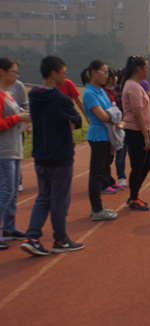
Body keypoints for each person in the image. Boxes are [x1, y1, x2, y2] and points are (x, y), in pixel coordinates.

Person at [21, 56, 84, 255]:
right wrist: (70, 122)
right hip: (60, 157)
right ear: (53, 73)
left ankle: (32, 236)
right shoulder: (61, 99)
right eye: (64, 72)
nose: (66, 76)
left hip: (40, 155)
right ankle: (61, 240)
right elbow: (77, 121)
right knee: (60, 201)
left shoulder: (33, 95)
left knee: (43, 197)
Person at [81, 60, 121, 221]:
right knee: (97, 174)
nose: (107, 75)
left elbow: (112, 109)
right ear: (93, 73)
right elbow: (104, 115)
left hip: (107, 135)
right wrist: (115, 116)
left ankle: (97, 207)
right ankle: (97, 209)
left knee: (102, 171)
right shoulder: (90, 93)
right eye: (103, 72)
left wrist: (113, 114)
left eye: (107, 72)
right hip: (98, 136)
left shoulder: (101, 91)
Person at [0, 58, 32, 250]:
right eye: (14, 71)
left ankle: (10, 227)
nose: (17, 75)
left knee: (12, 194)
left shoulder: (9, 93)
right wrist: (17, 117)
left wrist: (23, 119)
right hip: (3, 151)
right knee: (5, 192)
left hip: (14, 148)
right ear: (2, 72)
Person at [122, 56, 150, 211]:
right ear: (138, 69)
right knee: (139, 166)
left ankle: (134, 194)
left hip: (139, 130)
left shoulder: (133, 85)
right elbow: (137, 113)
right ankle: (134, 198)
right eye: (147, 67)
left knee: (146, 164)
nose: (148, 71)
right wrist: (145, 136)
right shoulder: (133, 87)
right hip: (135, 131)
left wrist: (147, 132)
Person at [112, 69, 127, 187]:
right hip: (119, 126)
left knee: (134, 153)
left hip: (130, 124)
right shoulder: (114, 92)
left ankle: (135, 176)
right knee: (120, 153)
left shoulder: (131, 89)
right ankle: (121, 177)